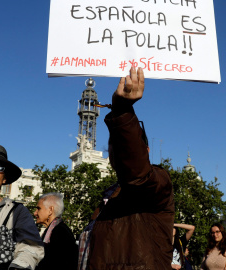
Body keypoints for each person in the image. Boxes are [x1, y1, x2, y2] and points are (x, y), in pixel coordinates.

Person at [78, 67, 175, 269]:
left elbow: (136, 173)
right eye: (113, 146)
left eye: (122, 146)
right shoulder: (109, 196)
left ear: (144, 150)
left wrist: (122, 111)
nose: (116, 151)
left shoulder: (155, 184)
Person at [34, 192, 78, 270]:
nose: (35, 213)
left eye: (38, 208)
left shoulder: (60, 233)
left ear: (50, 210)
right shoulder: (53, 230)